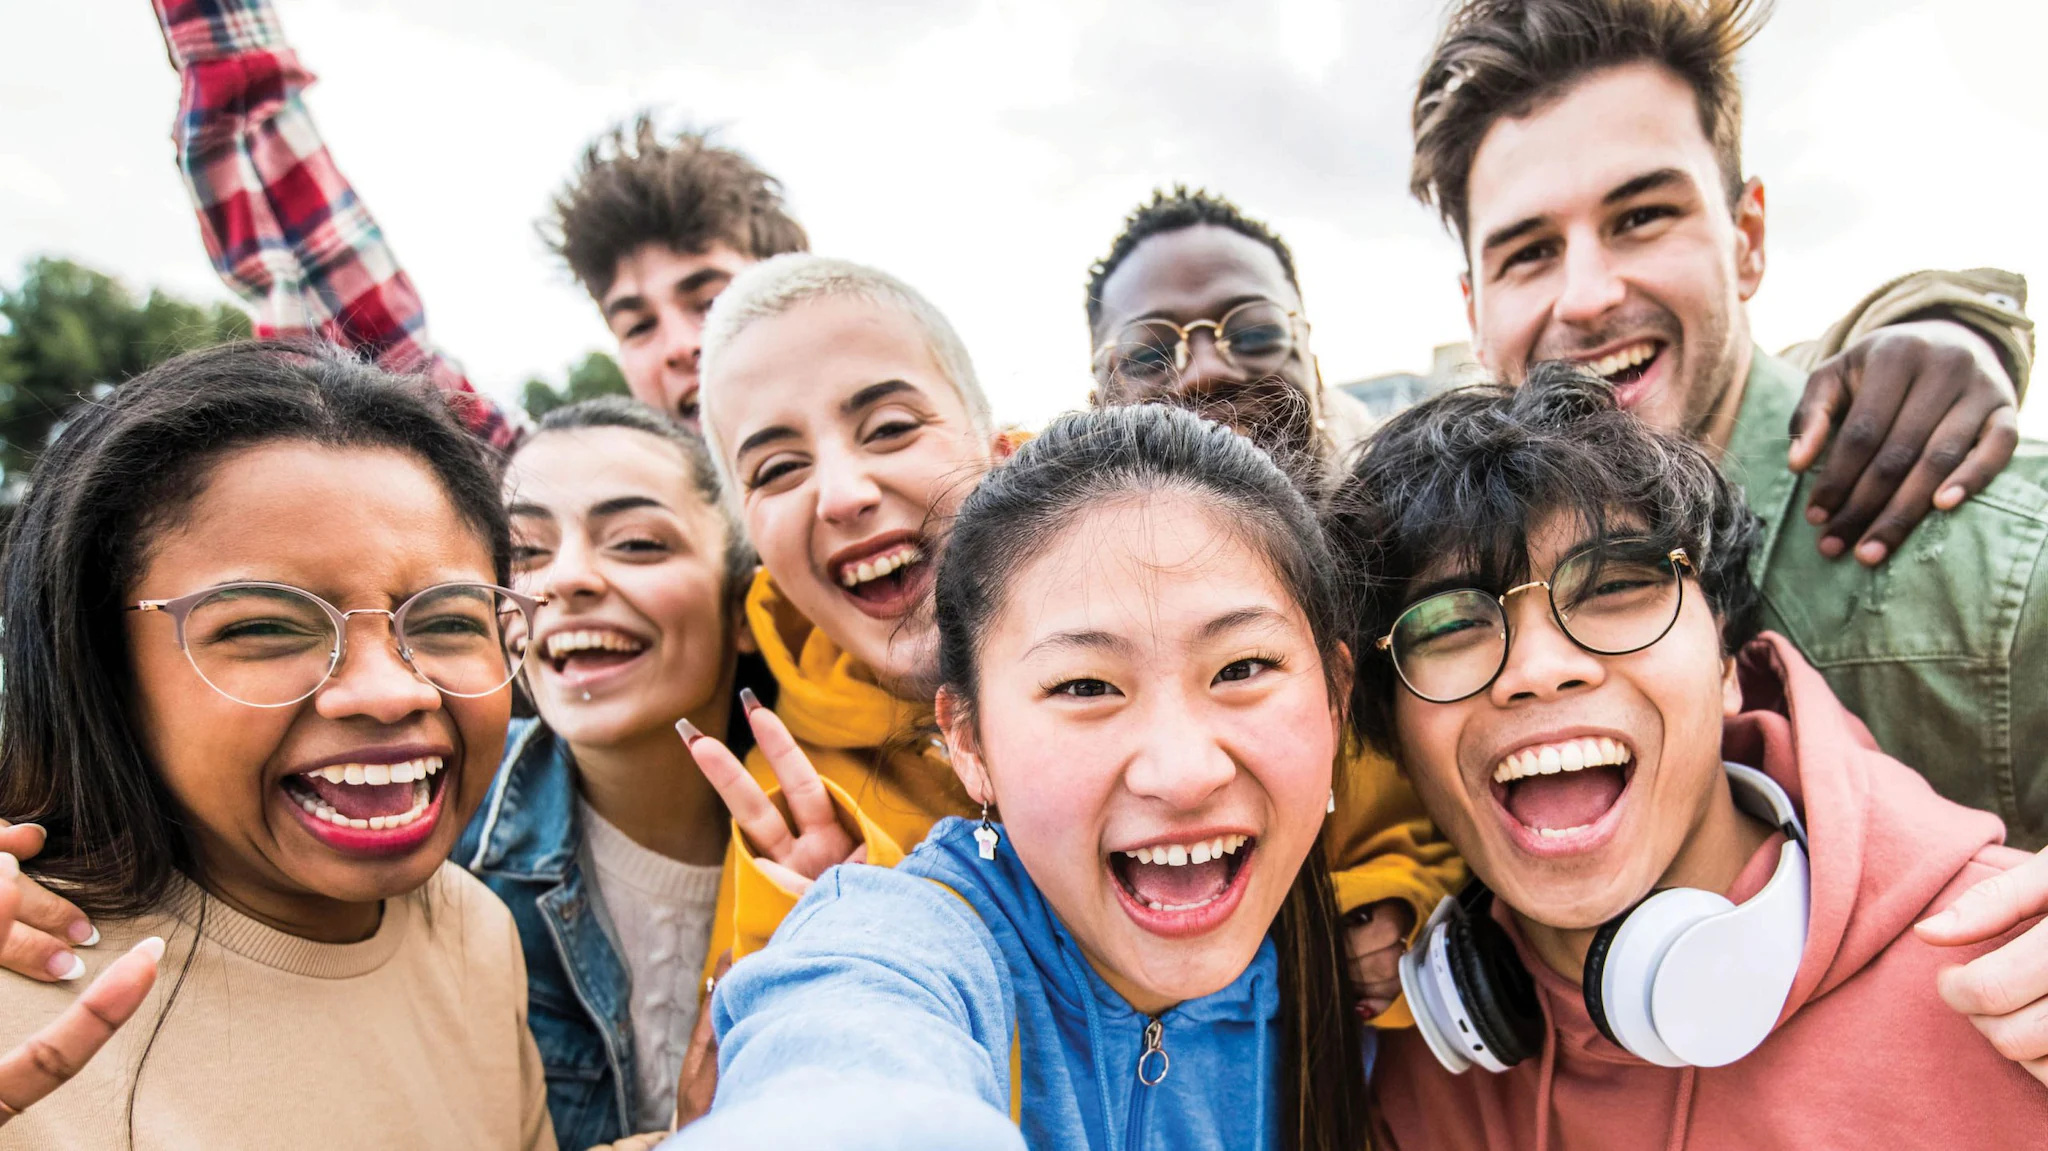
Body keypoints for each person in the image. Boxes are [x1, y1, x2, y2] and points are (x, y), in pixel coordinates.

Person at [686, 254, 1457, 1024]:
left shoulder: (1207, 610)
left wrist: (1365, 913)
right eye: (778, 468)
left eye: (889, 428)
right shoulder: (787, 805)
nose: (845, 493)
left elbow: (1411, 840)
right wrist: (858, 929)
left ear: (998, 453)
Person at [1334, 364, 2048, 1149]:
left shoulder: (2016, 975)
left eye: (1612, 585)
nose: (1539, 669)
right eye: (1447, 625)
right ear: (1395, 737)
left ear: (1728, 663)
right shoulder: (1413, 1072)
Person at [1408, 0, 2048, 847]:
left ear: (1747, 239)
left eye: (1641, 217)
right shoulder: (1425, 602)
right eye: (1529, 252)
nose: (1590, 294)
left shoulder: (2002, 569)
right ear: (1475, 310)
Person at [671, 403, 1371, 1151]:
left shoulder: (1370, 984)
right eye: (1085, 685)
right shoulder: (909, 944)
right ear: (968, 741)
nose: (1183, 773)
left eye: (1242, 668)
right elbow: (846, 1060)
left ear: (1335, 695)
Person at [0, 342, 554, 1148]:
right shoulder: (24, 979)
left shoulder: (475, 929)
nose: (391, 689)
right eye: (264, 625)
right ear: (103, 665)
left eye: (446, 621)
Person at [1089, 185, 2029, 514]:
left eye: (1252, 331)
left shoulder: (1404, 524)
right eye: (1147, 351)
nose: (1207, 367)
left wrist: (1943, 321)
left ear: (1313, 356)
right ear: (1095, 394)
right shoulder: (1034, 596)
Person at [151, 0, 807, 430]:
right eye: (637, 326)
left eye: (712, 298)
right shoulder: (571, 503)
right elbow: (351, 319)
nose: (680, 346)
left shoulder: (904, 477)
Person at [456, 399, 759, 1148]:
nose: (567, 578)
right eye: (525, 552)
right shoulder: (435, 858)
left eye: (635, 542)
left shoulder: (869, 840)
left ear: (747, 599)